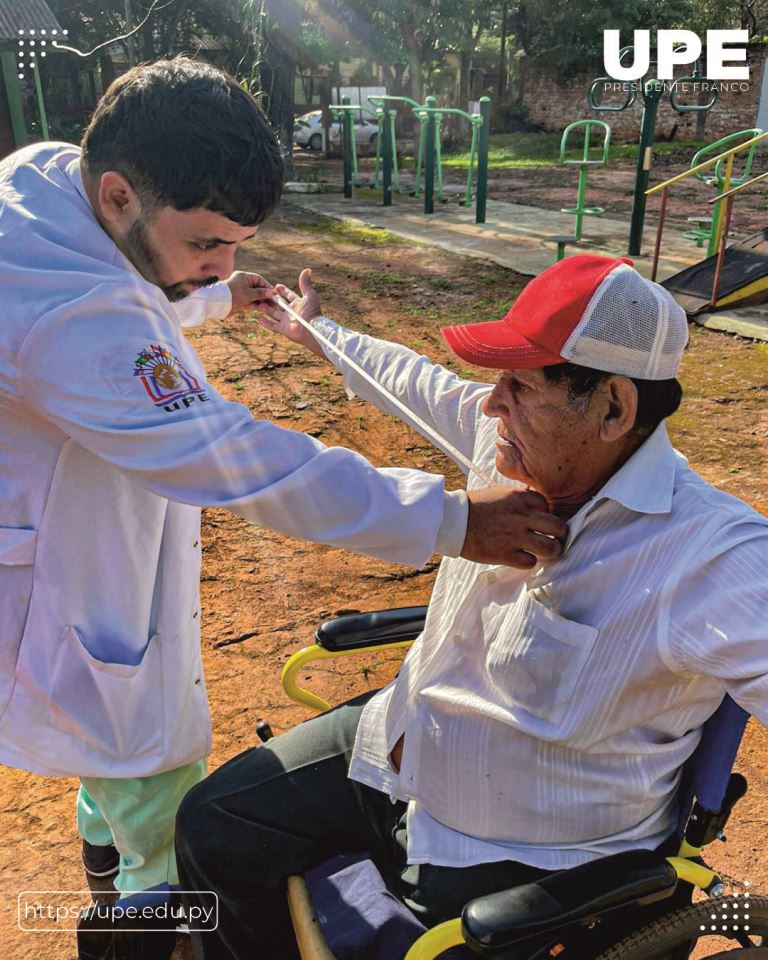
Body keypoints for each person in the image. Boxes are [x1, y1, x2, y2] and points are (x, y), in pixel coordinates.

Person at [0, 55, 564, 937]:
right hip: (77, 570)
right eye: (206, 244)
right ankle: (145, 929)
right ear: (118, 195)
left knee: (107, 759)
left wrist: (211, 296)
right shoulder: (76, 318)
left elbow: (128, 298)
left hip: (63, 525)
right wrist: (452, 519)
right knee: (153, 779)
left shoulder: (46, 181)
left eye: (235, 246)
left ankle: (108, 879)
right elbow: (240, 460)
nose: (221, 261)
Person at [175, 254, 768, 959]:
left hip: (516, 853)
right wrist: (318, 331)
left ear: (615, 406)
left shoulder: (710, 556)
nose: (490, 403)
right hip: (393, 750)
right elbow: (411, 382)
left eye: (519, 384)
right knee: (212, 825)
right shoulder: (514, 443)